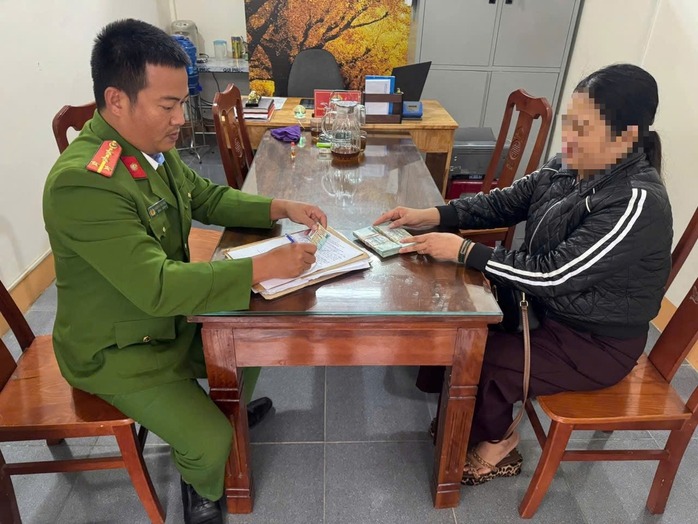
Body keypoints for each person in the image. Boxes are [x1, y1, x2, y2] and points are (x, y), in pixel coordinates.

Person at [43, 19, 325, 524]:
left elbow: (206, 197)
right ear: (117, 100)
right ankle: (202, 479)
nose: (180, 119)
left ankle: (223, 411)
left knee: (253, 337)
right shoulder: (84, 183)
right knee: (210, 441)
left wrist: (279, 207)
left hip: (169, 322)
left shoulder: (150, 149)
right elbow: (156, 286)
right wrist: (261, 266)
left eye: (181, 103)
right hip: (117, 350)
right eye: (167, 105)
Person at [374, 64, 671, 486]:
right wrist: (433, 215)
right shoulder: (568, 165)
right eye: (570, 121)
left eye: (584, 128)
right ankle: (460, 412)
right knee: (453, 314)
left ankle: (499, 445)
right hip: (543, 308)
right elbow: (503, 203)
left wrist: (464, 250)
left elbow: (555, 275)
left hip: (593, 341)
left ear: (626, 136)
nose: (568, 137)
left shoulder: (635, 201)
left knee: (485, 359)